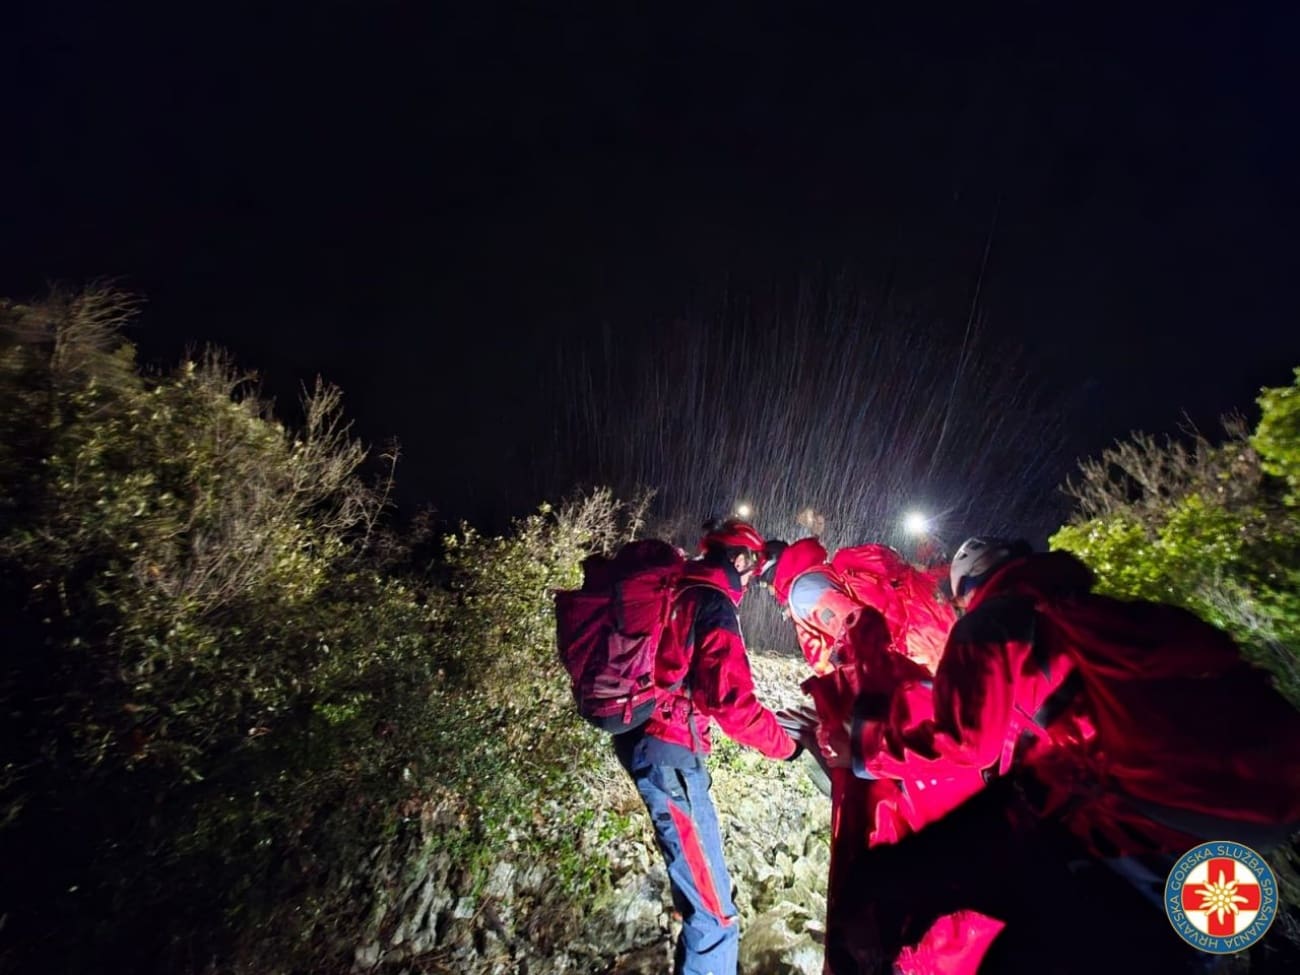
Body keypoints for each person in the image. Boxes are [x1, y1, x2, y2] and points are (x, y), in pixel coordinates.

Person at [834, 537, 1300, 974]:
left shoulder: (990, 623)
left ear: (967, 592)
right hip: (1241, 824)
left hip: (1139, 820)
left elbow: (965, 743)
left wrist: (863, 746)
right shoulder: (1088, 610)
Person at [760, 539, 999, 975]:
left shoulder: (804, 588)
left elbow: (860, 626)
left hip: (880, 709)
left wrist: (853, 697)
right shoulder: (848, 575)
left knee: (881, 835)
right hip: (911, 697)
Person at [613, 519, 801, 975]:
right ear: (738, 560)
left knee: (700, 895)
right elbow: (730, 701)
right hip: (671, 755)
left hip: (643, 741)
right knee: (717, 916)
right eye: (751, 568)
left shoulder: (676, 590)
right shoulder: (712, 603)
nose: (751, 579)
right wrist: (786, 747)